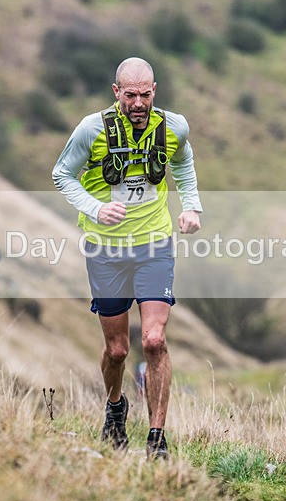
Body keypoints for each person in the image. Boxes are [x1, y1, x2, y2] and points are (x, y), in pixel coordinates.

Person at [52, 57, 202, 459]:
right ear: (116, 92)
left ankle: (157, 438)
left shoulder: (174, 126)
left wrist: (192, 206)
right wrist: (95, 208)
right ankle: (116, 408)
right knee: (118, 350)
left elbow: (184, 162)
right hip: (105, 248)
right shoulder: (92, 129)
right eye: (131, 94)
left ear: (156, 90)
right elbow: (61, 175)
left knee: (154, 340)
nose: (139, 103)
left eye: (146, 94)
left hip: (154, 243)